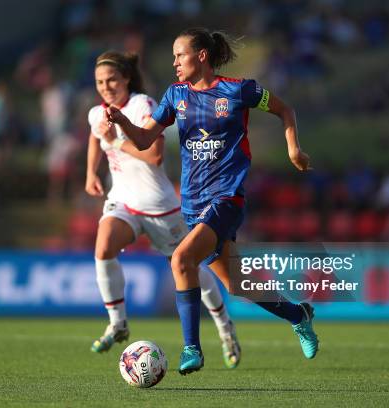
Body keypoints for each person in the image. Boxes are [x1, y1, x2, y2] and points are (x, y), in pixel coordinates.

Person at [106, 28, 319, 375]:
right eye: (173, 56)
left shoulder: (239, 90)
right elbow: (145, 140)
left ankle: (192, 348)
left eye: (180, 55)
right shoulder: (175, 96)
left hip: (226, 199)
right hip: (193, 204)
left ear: (201, 56)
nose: (174, 62)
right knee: (237, 285)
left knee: (181, 259)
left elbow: (285, 110)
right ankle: (299, 315)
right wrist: (123, 122)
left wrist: (293, 148)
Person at [86, 50, 242, 369]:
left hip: (159, 207)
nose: (106, 86)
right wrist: (90, 172)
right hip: (123, 201)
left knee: (193, 268)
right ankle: (118, 323)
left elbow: (154, 156)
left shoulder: (142, 105)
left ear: (126, 78)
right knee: (103, 248)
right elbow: (95, 136)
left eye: (112, 79)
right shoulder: (96, 112)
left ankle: (225, 327)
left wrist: (114, 142)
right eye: (100, 82)